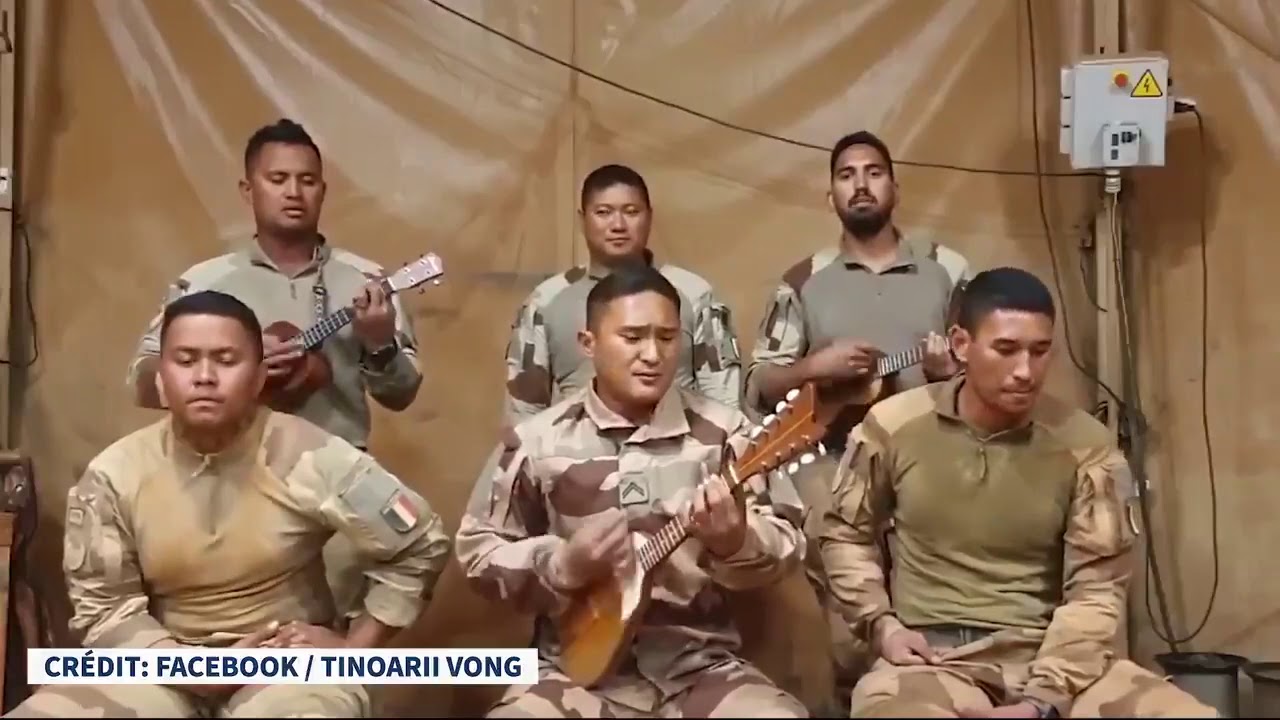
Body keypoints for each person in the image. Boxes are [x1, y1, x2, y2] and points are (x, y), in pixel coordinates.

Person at [5, 290, 452, 718]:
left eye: (225, 360)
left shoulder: (310, 454)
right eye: (185, 360)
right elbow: (104, 608)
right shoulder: (114, 474)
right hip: (160, 664)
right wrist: (189, 669)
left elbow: (420, 542)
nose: (204, 376)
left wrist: (354, 652)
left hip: (283, 665)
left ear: (258, 378)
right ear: (160, 381)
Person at [818, 267, 1218, 718]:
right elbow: (845, 534)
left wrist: (1042, 701)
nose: (1025, 371)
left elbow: (1097, 589)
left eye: (1040, 351)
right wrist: (881, 625)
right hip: (934, 661)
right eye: (1005, 350)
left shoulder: (1085, 445)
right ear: (961, 344)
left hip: (1052, 657)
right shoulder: (893, 426)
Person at [456, 264, 808, 718]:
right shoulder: (538, 441)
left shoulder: (728, 435)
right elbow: (477, 550)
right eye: (633, 337)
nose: (653, 354)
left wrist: (736, 541)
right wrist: (558, 565)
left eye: (666, 337)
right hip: (571, 669)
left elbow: (789, 542)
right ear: (589, 344)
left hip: (698, 669)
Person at [125, 118, 424, 623]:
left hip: (335, 493)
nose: (293, 192)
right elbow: (143, 380)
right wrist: (234, 362)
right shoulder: (204, 284)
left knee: (325, 659)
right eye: (277, 179)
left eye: (307, 181)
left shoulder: (367, 281)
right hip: (224, 489)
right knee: (220, 638)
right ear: (249, 189)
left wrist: (378, 343)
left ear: (323, 191)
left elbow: (402, 394)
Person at [741, 130, 971, 714]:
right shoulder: (803, 279)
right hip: (834, 466)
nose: (861, 184)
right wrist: (814, 366)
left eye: (873, 172)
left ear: (894, 186)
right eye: (847, 174)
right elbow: (759, 382)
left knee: (936, 611)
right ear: (831, 196)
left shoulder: (947, 268)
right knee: (848, 620)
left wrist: (951, 370)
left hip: (934, 459)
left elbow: (992, 363)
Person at [503, 163, 741, 428]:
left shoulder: (693, 293)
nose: (618, 225)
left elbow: (723, 398)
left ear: (649, 217)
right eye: (603, 213)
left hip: (679, 447)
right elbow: (524, 410)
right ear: (583, 220)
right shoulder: (546, 301)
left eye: (631, 212)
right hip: (575, 457)